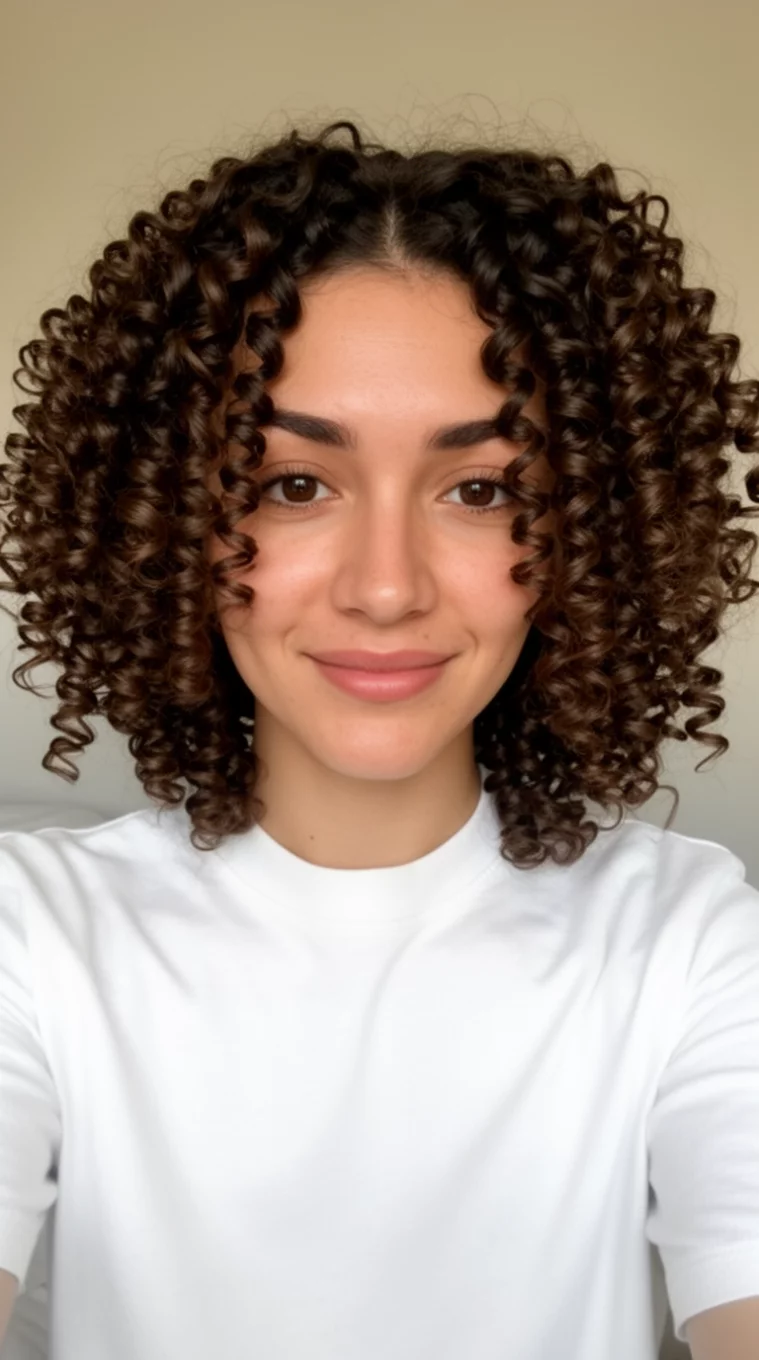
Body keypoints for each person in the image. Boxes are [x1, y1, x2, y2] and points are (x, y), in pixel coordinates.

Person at [0, 117, 758, 1360]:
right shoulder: (32, 936)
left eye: (483, 488)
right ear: (168, 512)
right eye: (296, 482)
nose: (389, 587)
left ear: (592, 531)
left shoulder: (688, 942)